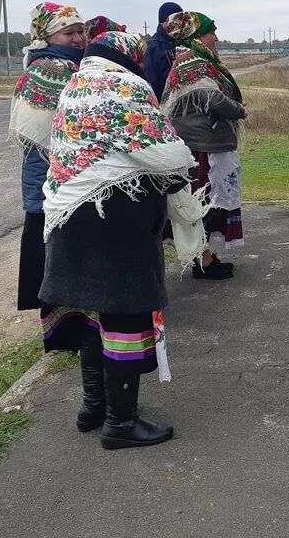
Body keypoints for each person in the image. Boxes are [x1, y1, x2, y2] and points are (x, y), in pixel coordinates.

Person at [39, 28, 200, 450]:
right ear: (130, 59)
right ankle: (120, 422)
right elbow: (171, 156)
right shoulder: (124, 87)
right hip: (115, 223)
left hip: (70, 217)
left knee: (93, 316)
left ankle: (93, 407)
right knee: (124, 316)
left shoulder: (75, 85)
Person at [8, 2, 86, 314]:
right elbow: (47, 133)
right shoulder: (49, 70)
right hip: (49, 176)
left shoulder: (67, 65)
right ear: (50, 36)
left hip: (57, 174)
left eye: (81, 30)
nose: (79, 38)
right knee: (53, 247)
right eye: (70, 32)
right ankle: (58, 320)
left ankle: (62, 314)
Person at [160, 11, 247, 280]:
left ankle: (205, 256)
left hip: (203, 142)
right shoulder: (194, 63)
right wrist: (239, 110)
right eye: (212, 31)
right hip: (204, 146)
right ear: (197, 35)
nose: (216, 37)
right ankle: (203, 260)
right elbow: (212, 98)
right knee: (206, 202)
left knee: (207, 201)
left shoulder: (189, 59)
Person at [145, 1, 184, 99]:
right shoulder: (152, 47)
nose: (179, 24)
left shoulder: (183, 43)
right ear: (165, 21)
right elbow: (151, 81)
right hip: (162, 102)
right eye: (176, 19)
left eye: (181, 19)